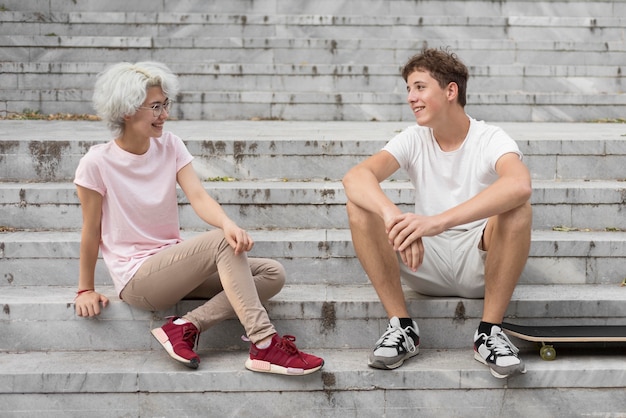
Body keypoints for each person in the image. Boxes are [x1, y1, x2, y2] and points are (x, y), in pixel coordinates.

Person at [73, 61, 323, 376]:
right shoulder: (96, 162)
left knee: (272, 273)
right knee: (221, 243)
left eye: (165, 104)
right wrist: (85, 289)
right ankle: (264, 343)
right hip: (137, 278)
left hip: (171, 264)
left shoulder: (170, 144)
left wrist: (227, 224)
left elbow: (199, 196)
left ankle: (186, 326)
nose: (164, 114)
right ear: (126, 111)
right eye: (155, 107)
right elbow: (90, 229)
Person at [342, 48, 532, 379]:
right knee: (359, 205)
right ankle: (402, 327)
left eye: (419, 87)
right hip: (424, 260)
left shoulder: (490, 137)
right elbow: (355, 177)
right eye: (408, 90)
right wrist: (395, 219)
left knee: (517, 210)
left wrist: (436, 221)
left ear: (450, 90)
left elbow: (519, 185)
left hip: (479, 261)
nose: (410, 98)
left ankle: (489, 333)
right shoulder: (413, 138)